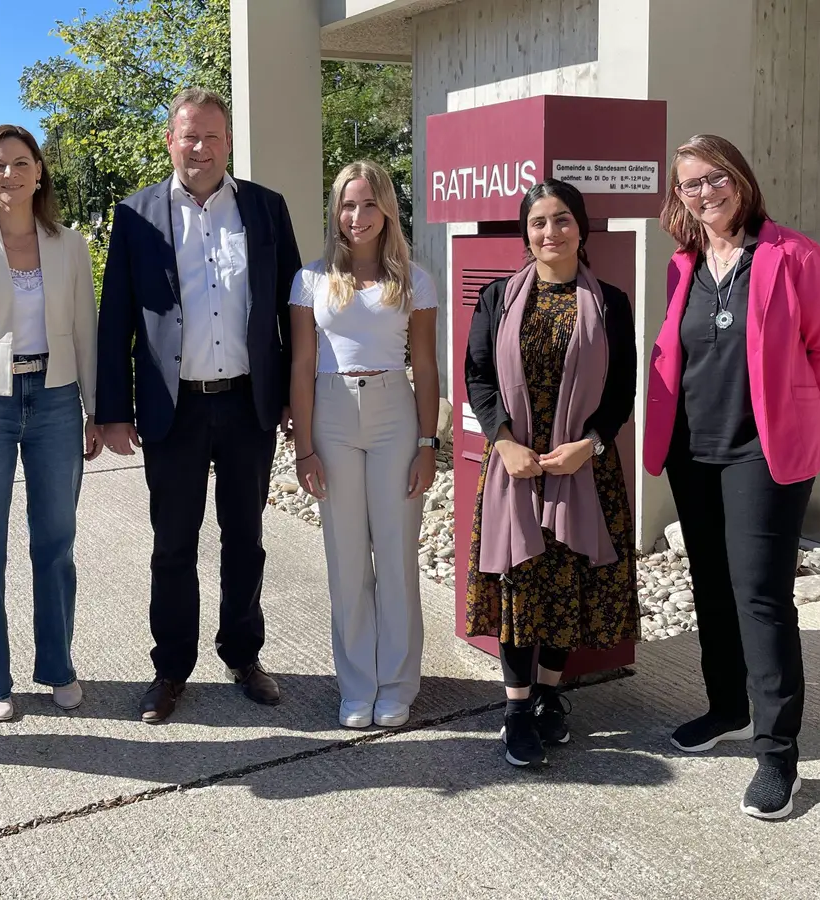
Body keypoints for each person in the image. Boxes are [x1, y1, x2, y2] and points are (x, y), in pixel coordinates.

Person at [645, 133, 820, 819]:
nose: (704, 192)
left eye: (715, 178)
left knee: (760, 597)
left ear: (740, 178)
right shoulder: (682, 266)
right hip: (693, 450)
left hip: (763, 454)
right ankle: (728, 708)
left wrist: (792, 416)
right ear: (679, 197)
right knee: (709, 582)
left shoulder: (792, 256)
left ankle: (777, 755)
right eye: (690, 184)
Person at [97, 87, 303, 724]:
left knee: (246, 537)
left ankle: (243, 655)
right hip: (172, 409)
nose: (202, 147)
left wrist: (297, 400)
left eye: (213, 136)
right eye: (190, 135)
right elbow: (116, 321)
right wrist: (113, 409)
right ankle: (170, 670)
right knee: (172, 544)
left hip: (248, 405)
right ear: (170, 140)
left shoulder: (267, 210)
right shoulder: (136, 215)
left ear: (229, 143)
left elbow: (293, 314)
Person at [463, 179, 640, 768]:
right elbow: (479, 377)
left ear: (581, 227)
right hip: (515, 465)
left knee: (566, 578)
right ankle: (516, 711)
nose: (550, 232)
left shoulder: (612, 302)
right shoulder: (499, 299)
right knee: (520, 580)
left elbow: (620, 392)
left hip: (580, 466)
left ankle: (550, 697)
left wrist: (587, 445)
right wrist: (504, 442)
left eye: (561, 220)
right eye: (538, 222)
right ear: (526, 233)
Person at [0, 124, 102, 722]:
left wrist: (93, 408)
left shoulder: (69, 244)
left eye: (22, 162)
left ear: (39, 172)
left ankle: (57, 667)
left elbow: (86, 329)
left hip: (56, 401)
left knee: (56, 542)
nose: (11, 174)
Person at [289, 160, 439, 729]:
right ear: (336, 211)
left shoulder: (415, 281)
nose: (358, 216)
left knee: (397, 555)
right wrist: (304, 449)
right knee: (347, 558)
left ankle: (397, 683)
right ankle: (356, 685)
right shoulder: (309, 279)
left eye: (369, 204)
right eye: (348, 205)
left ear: (387, 211)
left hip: (394, 417)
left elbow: (425, 368)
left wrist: (429, 442)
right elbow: (302, 367)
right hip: (331, 417)